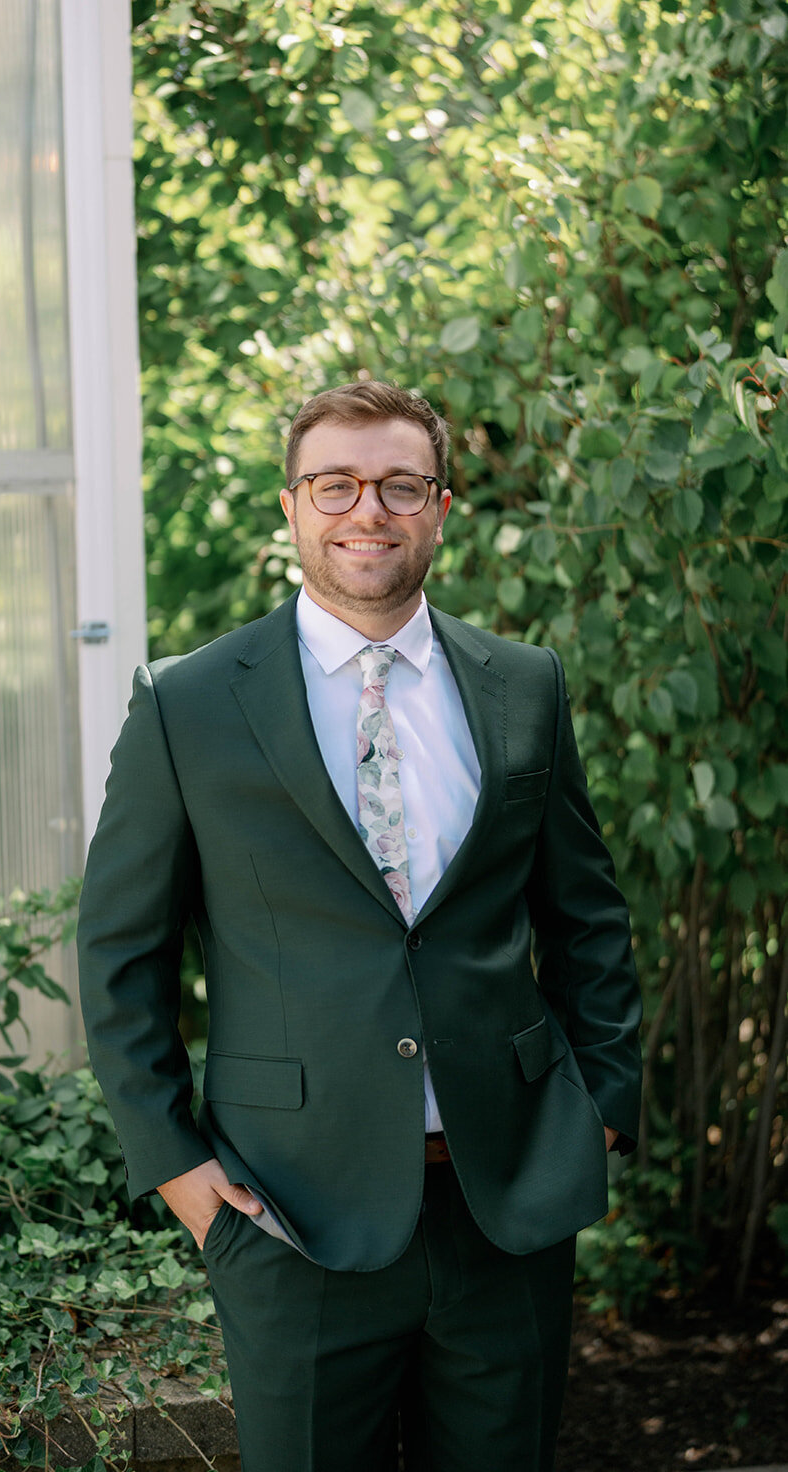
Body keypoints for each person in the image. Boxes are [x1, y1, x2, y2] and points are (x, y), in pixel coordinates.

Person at [76, 380, 643, 1472]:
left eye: (397, 484)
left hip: (506, 1202)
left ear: (439, 506)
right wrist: (178, 1172)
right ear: (290, 506)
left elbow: (586, 917)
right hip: (287, 1210)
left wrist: (601, 1109)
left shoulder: (523, 685)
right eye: (333, 484)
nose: (365, 510)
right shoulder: (186, 703)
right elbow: (119, 955)